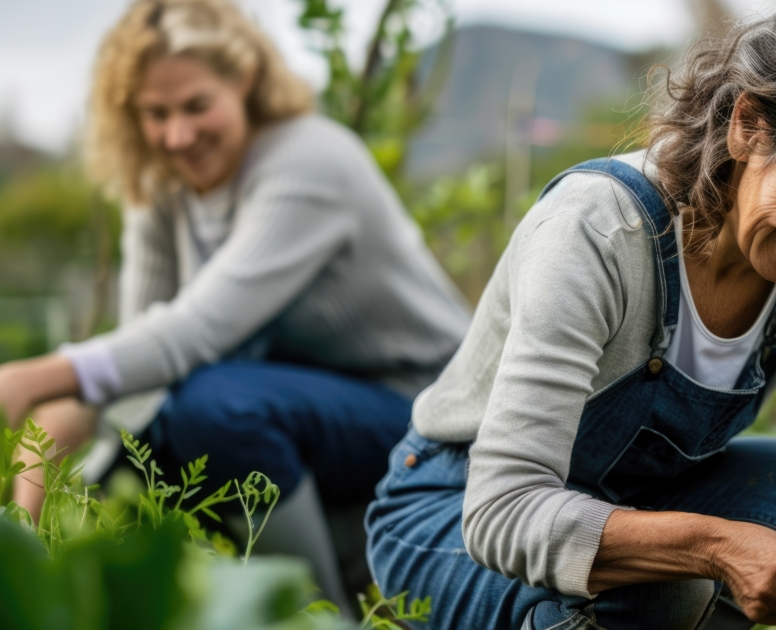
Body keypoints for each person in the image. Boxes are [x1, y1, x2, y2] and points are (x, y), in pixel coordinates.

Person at [365, 9, 776, 629]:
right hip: (454, 510)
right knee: (665, 592)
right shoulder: (597, 233)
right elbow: (503, 511)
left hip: (644, 500)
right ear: (749, 126)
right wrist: (716, 548)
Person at [0, 0, 470, 609]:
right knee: (154, 437)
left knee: (212, 407)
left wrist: (30, 376)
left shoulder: (309, 161)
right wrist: (25, 515)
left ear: (244, 79)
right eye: (155, 114)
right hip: (304, 406)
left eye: (196, 105)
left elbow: (192, 334)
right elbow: (137, 367)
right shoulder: (161, 185)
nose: (178, 134)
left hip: (426, 410)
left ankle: (312, 614)